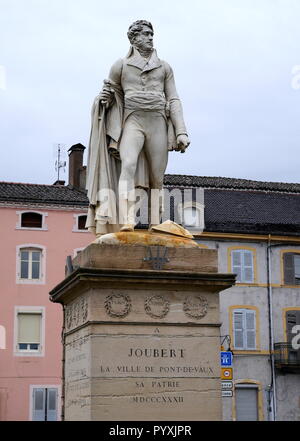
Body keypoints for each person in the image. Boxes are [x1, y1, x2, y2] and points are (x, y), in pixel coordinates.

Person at [85, 20, 190, 235]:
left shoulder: (164, 67)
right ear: (133, 38)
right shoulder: (120, 65)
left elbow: (174, 98)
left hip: (157, 121)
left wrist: (181, 131)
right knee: (128, 165)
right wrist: (103, 100)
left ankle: (154, 222)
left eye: (152, 34)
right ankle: (127, 219)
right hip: (132, 120)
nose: (151, 38)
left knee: (157, 177)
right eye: (145, 34)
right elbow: (110, 94)